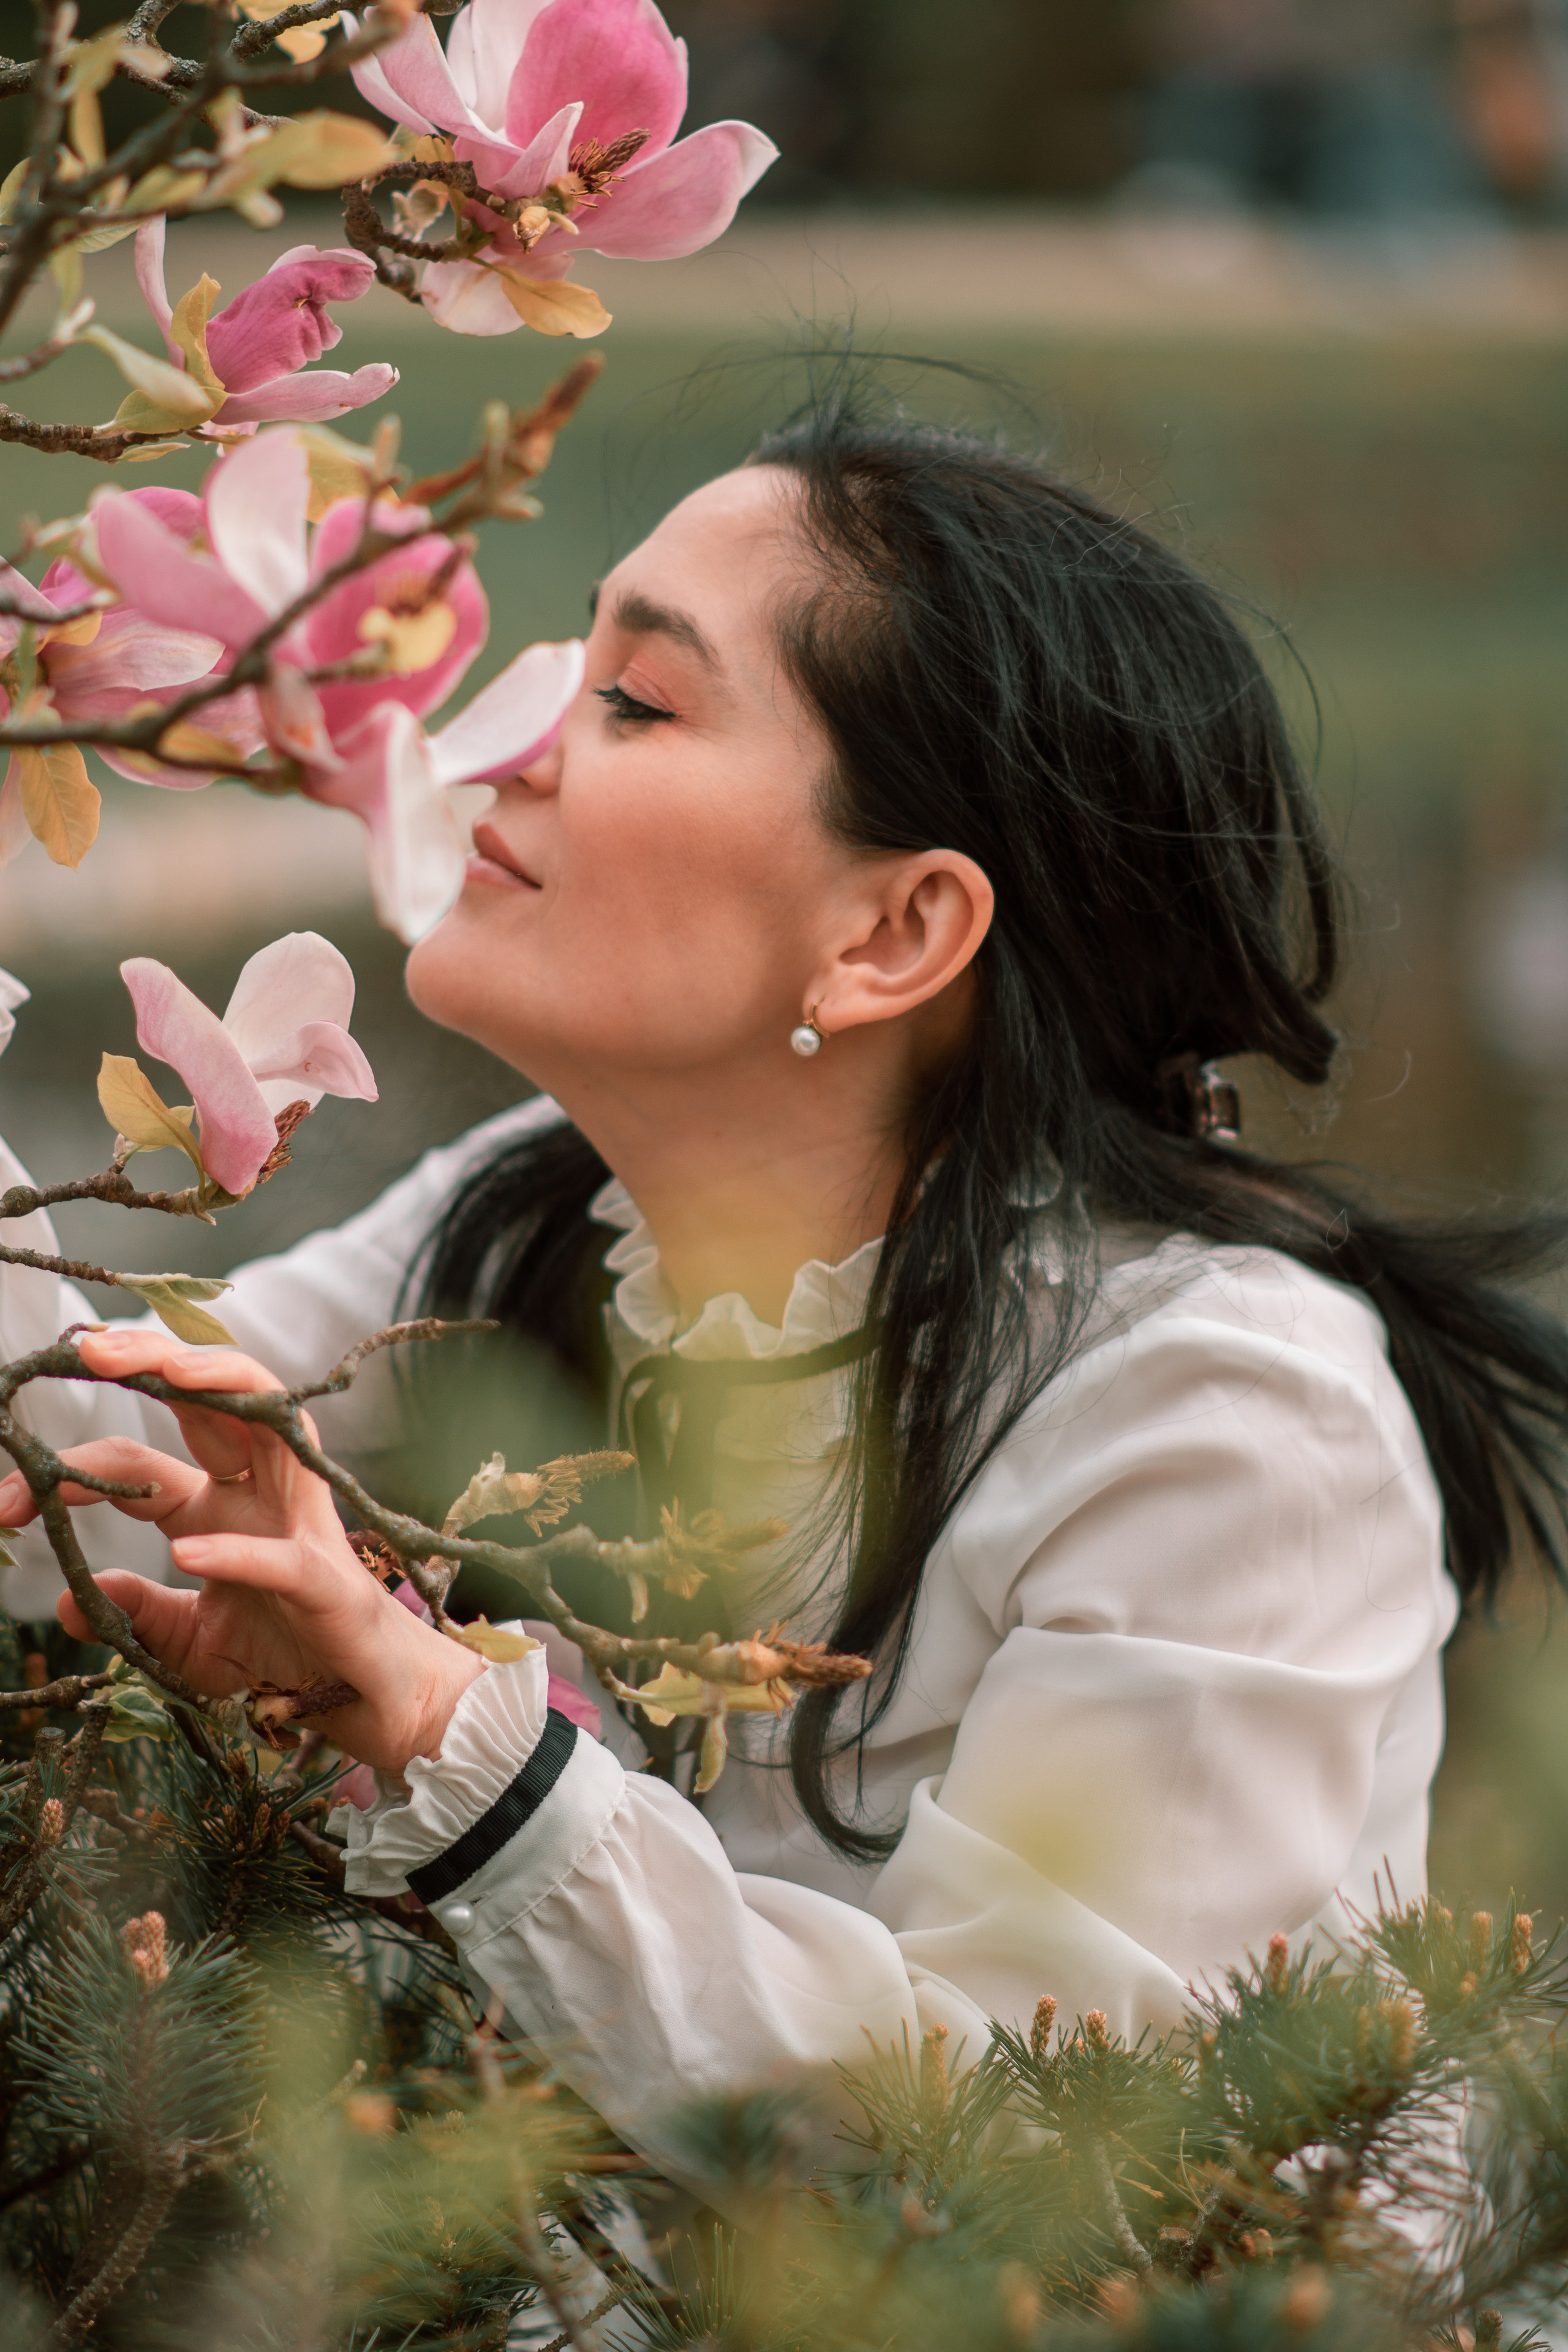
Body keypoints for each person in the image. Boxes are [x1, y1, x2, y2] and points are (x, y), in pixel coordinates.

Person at [2, 403, 1566, 2181]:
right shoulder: (541, 1215)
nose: (504, 738)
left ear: (893, 934)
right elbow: (85, 1438)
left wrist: (456, 1744)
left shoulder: (1227, 1419)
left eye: (634, 700)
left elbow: (1032, 2171)